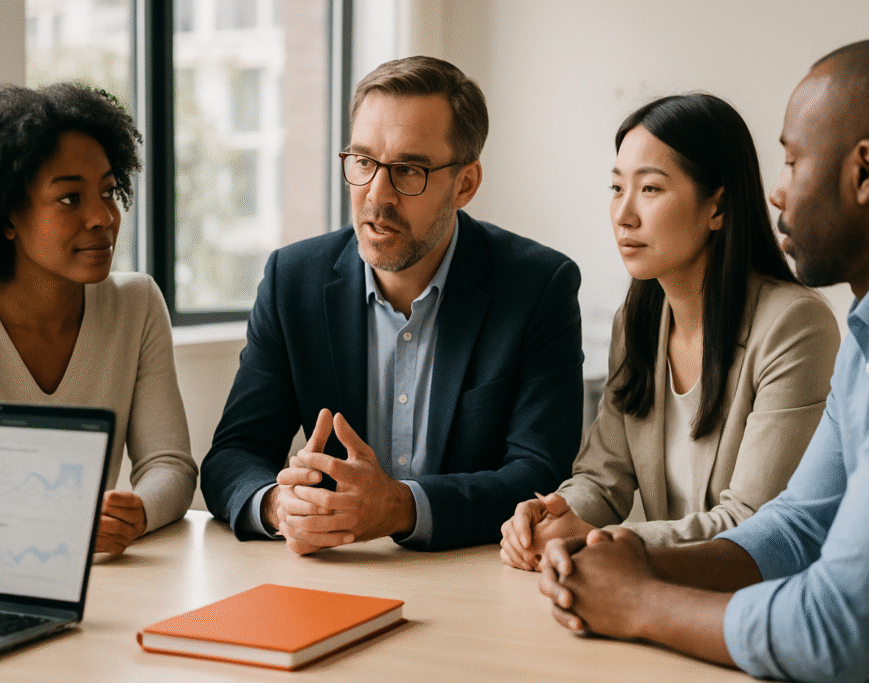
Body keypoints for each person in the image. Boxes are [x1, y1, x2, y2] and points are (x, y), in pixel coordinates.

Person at [538, 38, 869, 683]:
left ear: (864, 171)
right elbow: (797, 526)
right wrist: (627, 557)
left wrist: (638, 599)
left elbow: (834, 629)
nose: (775, 193)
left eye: (794, 162)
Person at [200, 56, 584, 554]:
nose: (376, 196)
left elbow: (539, 476)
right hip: (337, 570)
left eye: (408, 170)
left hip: (474, 576)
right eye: (362, 162)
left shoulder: (538, 286)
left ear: (465, 183)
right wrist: (279, 504)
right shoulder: (292, 281)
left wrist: (401, 507)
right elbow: (232, 455)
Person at [499, 94, 839, 570]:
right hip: (659, 596)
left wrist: (599, 539)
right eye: (617, 188)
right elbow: (601, 478)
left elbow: (754, 521)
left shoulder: (794, 325)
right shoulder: (636, 322)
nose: (624, 214)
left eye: (651, 189)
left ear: (717, 206)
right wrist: (553, 514)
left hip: (756, 603)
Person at [0, 83, 198, 555]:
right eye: (69, 199)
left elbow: (170, 465)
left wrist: (134, 515)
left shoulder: (136, 304)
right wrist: (53, 525)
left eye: (107, 191)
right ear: (7, 217)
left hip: (100, 576)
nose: (103, 217)